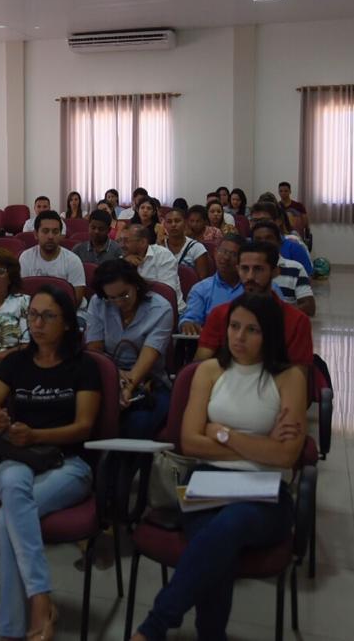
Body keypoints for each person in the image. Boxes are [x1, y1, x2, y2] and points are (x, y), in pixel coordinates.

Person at [130, 293, 306, 641]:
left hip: (266, 492)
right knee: (218, 549)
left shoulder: (289, 379)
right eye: (234, 327)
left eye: (252, 330)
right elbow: (191, 442)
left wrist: (222, 432)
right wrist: (261, 446)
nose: (239, 337)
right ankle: (210, 635)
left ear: (269, 334)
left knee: (229, 525)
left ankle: (153, 628)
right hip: (206, 481)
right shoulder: (209, 371)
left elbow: (287, 456)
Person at [0, 287, 102, 641]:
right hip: (18, 458)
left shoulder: (84, 366)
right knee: (13, 491)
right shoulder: (16, 362)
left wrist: (37, 436)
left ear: (66, 323)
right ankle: (39, 603)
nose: (37, 323)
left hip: (70, 464)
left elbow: (83, 427)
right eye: (32, 314)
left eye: (48, 316)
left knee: (5, 522)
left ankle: (16, 625)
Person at [84, 260, 174, 443]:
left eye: (124, 295)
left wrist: (128, 387)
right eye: (111, 297)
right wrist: (115, 376)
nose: (118, 302)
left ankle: (124, 470)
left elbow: (148, 357)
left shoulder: (160, 308)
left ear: (136, 285)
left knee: (137, 424)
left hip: (150, 381)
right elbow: (95, 351)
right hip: (107, 375)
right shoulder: (98, 303)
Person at [193, 242, 313, 368]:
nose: (250, 276)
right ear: (237, 269)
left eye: (258, 269)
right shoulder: (220, 313)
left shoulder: (297, 320)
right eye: (244, 269)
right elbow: (199, 364)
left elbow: (299, 375)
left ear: (275, 272)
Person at [179, 236, 248, 334]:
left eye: (233, 254)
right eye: (223, 251)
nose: (226, 257)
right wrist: (187, 323)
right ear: (215, 253)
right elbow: (191, 317)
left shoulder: (254, 287)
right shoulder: (201, 289)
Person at [18, 211, 86, 305]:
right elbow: (22, 294)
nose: (50, 236)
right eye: (45, 231)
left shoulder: (73, 261)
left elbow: (76, 300)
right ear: (36, 234)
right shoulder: (25, 258)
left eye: (55, 232)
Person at [250, 222, 316, 317]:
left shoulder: (295, 268)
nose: (263, 243)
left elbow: (309, 307)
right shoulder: (246, 269)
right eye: (258, 239)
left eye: (269, 238)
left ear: (279, 242)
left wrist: (276, 314)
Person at [120, 224, 183, 313]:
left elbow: (167, 292)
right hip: (139, 310)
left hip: (167, 309)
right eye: (120, 240)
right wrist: (124, 264)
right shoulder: (124, 258)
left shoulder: (163, 255)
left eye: (126, 241)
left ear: (142, 242)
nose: (122, 245)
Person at [249, 202, 313, 275]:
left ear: (278, 221)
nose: (259, 224)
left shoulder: (293, 248)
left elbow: (307, 279)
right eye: (254, 221)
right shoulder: (245, 247)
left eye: (264, 220)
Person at [161, 208, 213, 280]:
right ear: (164, 225)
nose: (173, 224)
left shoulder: (197, 248)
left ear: (185, 223)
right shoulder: (160, 246)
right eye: (169, 222)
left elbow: (202, 281)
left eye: (177, 221)